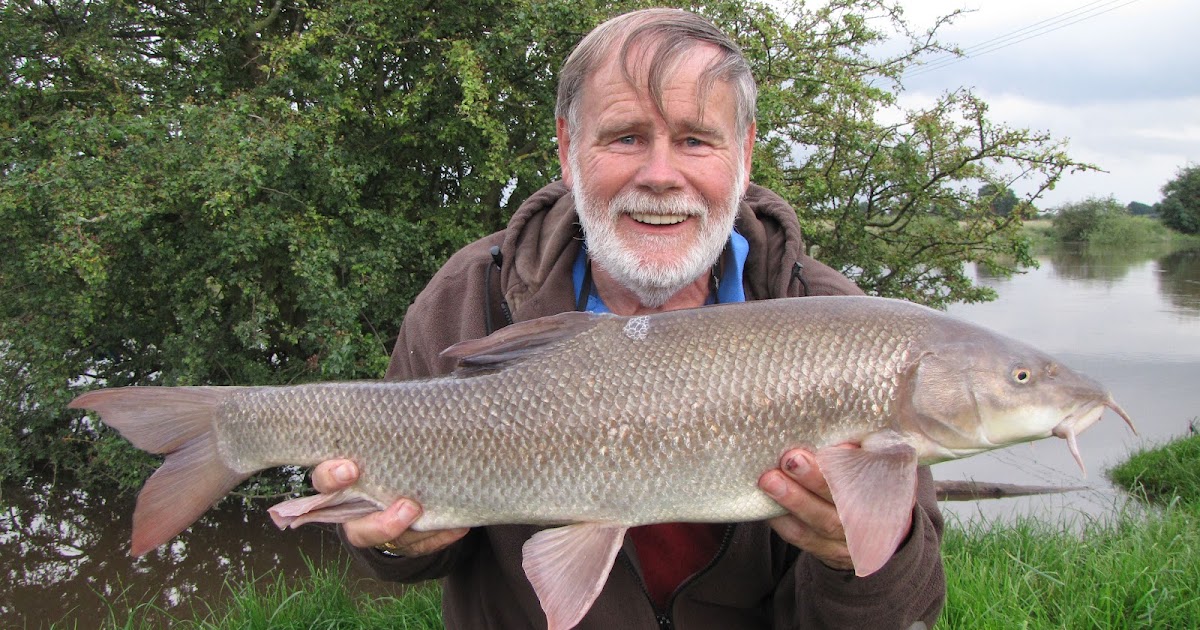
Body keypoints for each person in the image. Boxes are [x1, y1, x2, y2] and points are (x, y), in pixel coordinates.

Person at [312, 8, 945, 628]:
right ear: (568, 149)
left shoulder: (844, 326)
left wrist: (852, 553)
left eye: (695, 140)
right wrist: (391, 540)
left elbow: (903, 612)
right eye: (626, 137)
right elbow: (398, 560)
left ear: (744, 152)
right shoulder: (471, 296)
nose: (661, 175)